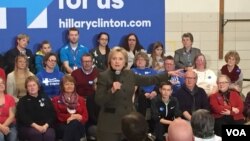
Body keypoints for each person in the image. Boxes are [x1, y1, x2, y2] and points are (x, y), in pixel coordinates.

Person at [95, 46, 180, 141]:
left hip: (129, 124)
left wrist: (167, 74)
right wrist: (112, 91)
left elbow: (149, 79)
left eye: (120, 59)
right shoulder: (103, 76)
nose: (117, 61)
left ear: (125, 62)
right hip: (110, 125)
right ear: (110, 61)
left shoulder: (130, 74)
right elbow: (99, 100)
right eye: (114, 58)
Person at [16, 76, 56, 141]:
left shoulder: (46, 98)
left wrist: (45, 126)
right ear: (26, 88)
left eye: (34, 85)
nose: (32, 87)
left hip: (46, 126)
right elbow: (23, 117)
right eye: (29, 86)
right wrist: (37, 127)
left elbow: (52, 114)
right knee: (36, 134)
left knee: (49, 135)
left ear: (38, 87)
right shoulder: (23, 101)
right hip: (29, 127)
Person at [52, 74, 88, 141]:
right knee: (74, 128)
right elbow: (57, 115)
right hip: (62, 125)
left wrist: (75, 118)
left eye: (72, 84)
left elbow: (85, 117)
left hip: (79, 125)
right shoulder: (56, 99)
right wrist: (72, 117)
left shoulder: (81, 99)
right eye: (67, 84)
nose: (69, 86)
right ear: (62, 86)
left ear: (74, 86)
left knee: (75, 123)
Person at [131, 52, 158, 118]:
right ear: (135, 61)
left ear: (146, 61)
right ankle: (141, 121)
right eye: (138, 59)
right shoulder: (132, 71)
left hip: (153, 94)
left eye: (142, 59)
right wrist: (144, 93)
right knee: (142, 98)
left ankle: (154, 124)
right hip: (139, 94)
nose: (140, 61)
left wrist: (155, 91)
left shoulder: (152, 71)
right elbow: (133, 84)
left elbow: (158, 83)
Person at [0, 77, 17, 141]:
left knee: (12, 138)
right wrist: (1, 128)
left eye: (2, 83)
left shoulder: (10, 98)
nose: (1, 85)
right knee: (0, 137)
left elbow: (12, 116)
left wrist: (3, 127)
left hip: (10, 124)